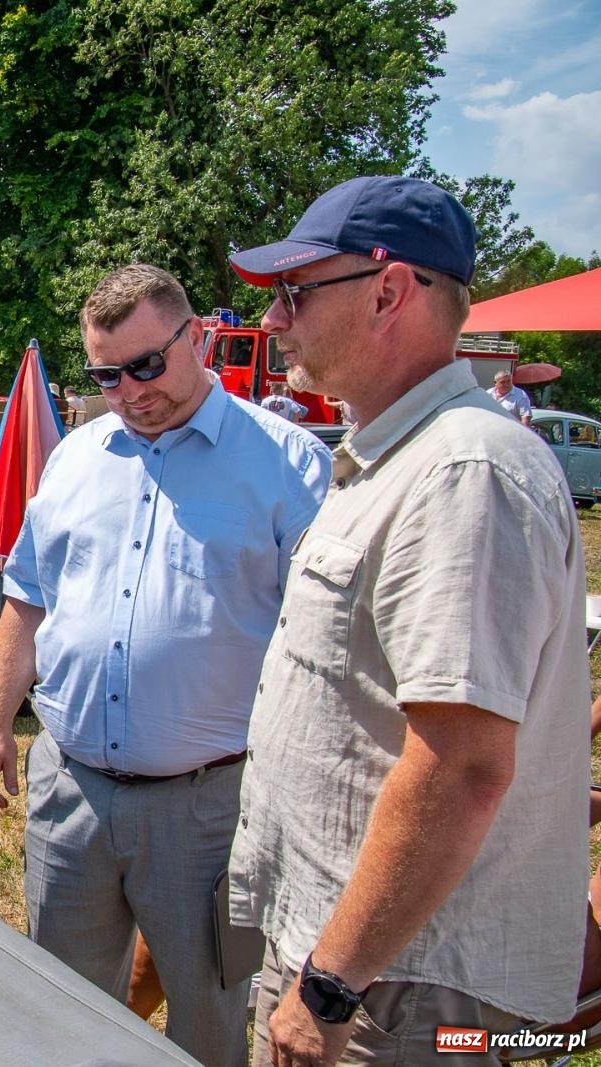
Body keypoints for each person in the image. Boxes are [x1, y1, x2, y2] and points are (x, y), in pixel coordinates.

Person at [225, 176, 590, 1066]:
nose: (274, 321)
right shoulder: (409, 456)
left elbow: (460, 764)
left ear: (389, 291)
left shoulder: (467, 473)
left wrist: (329, 985)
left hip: (398, 990)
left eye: (295, 292)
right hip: (369, 966)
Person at [0, 264, 330, 1066]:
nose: (128, 391)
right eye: (106, 373)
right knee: (62, 1006)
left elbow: (322, 651)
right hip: (71, 792)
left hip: (212, 810)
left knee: (209, 1014)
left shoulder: (290, 465)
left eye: (146, 365)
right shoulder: (75, 458)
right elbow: (26, 601)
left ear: (196, 335)